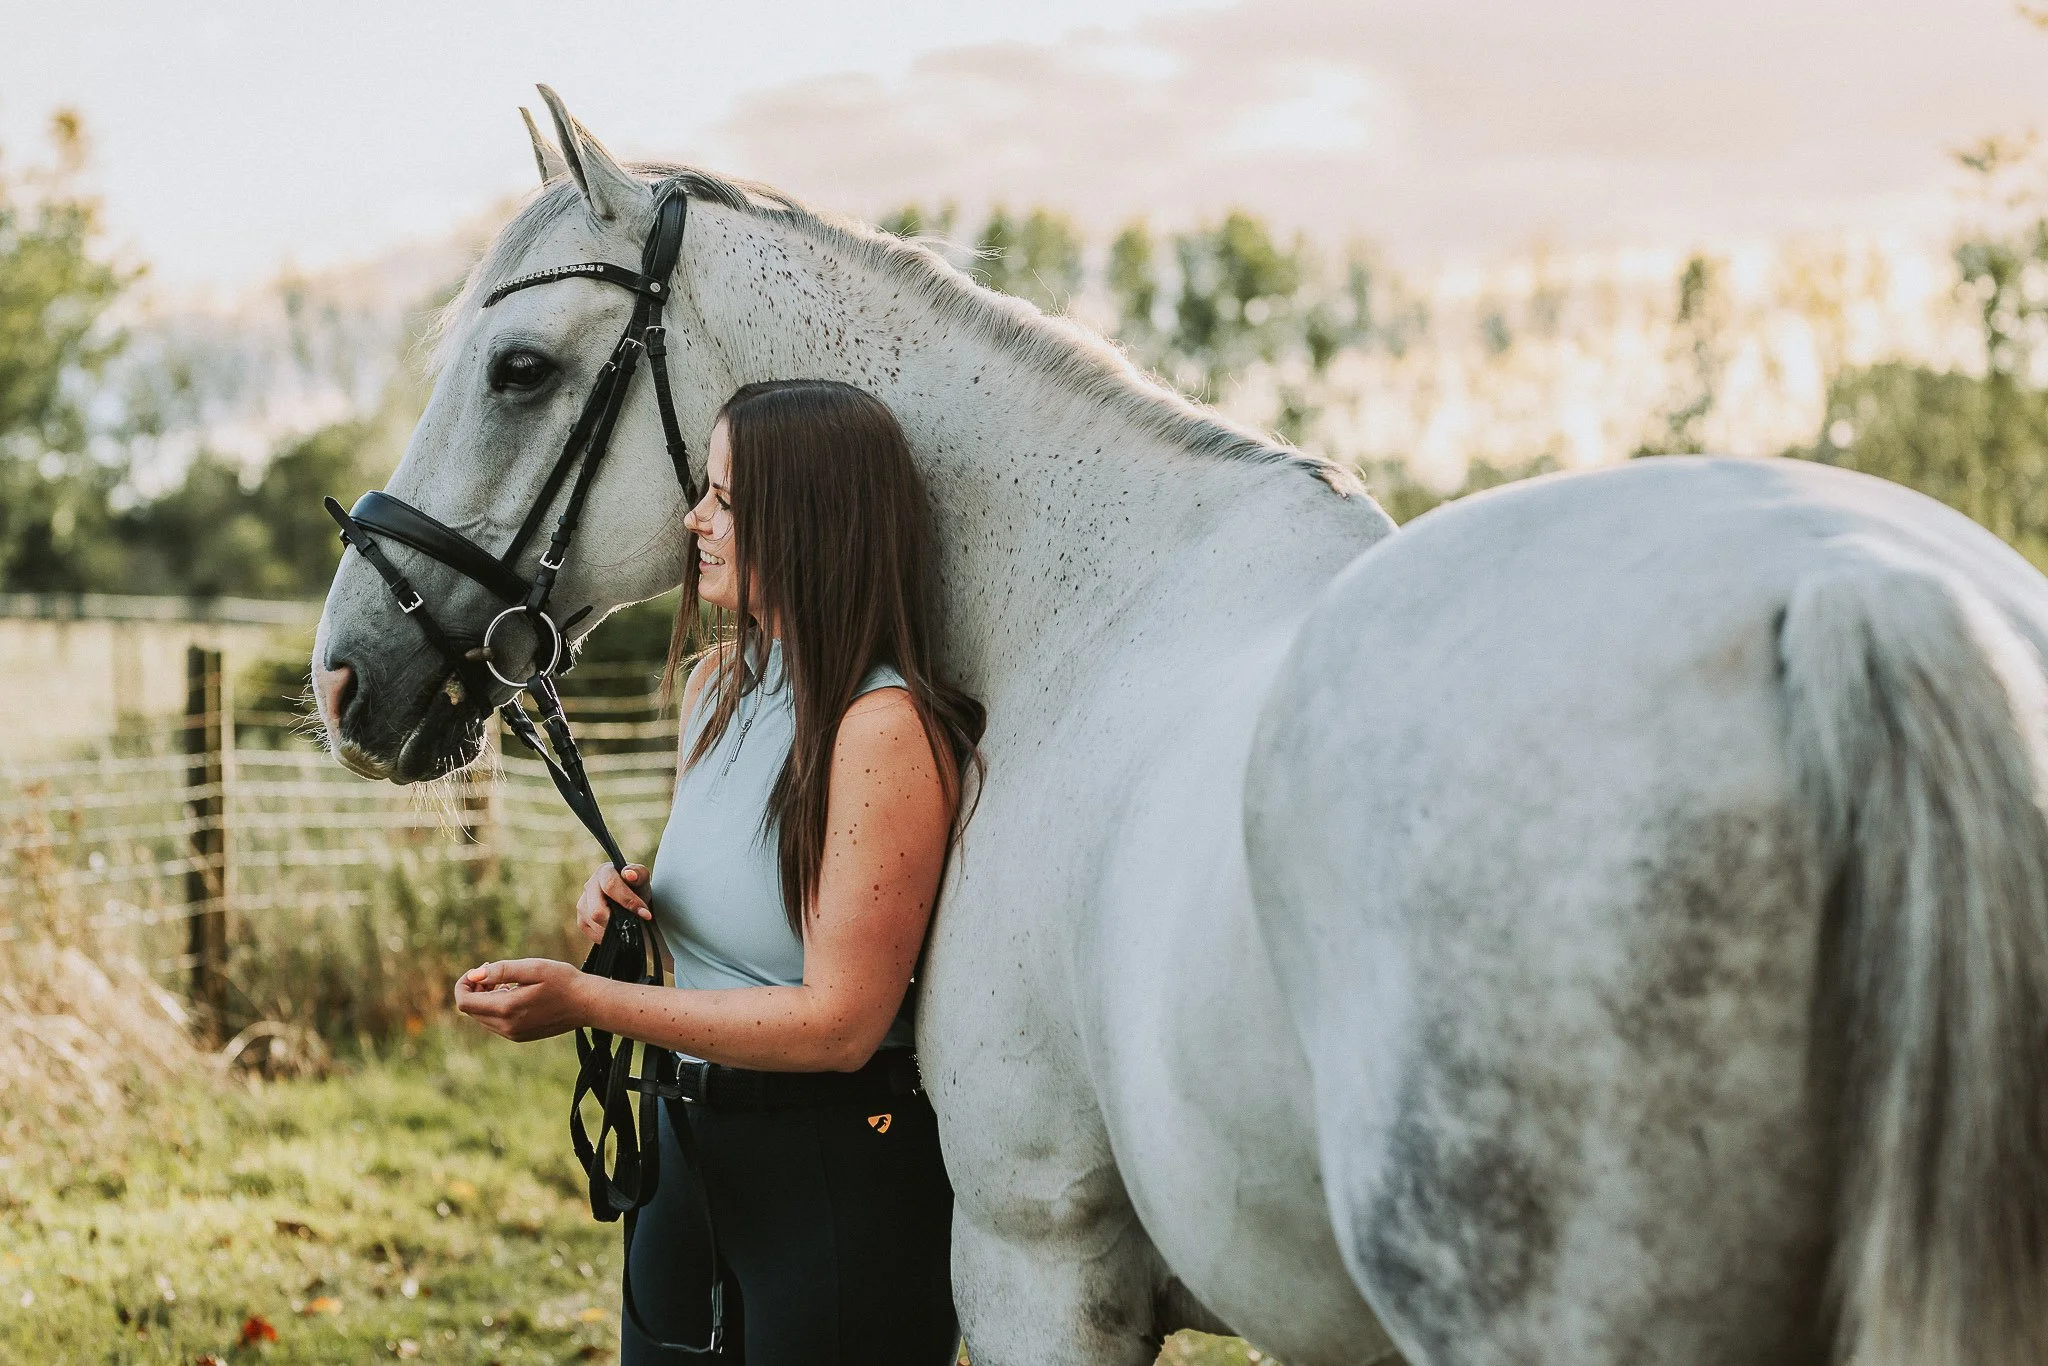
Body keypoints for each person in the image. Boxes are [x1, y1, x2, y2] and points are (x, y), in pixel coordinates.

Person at [454, 378, 985, 1365]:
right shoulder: (714, 687)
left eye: (725, 499)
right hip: (682, 1155)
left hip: (832, 1176)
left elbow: (838, 1023)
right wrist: (633, 908)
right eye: (705, 488)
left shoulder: (884, 728)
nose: (694, 518)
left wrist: (589, 1003)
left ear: (808, 521)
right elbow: (745, 909)